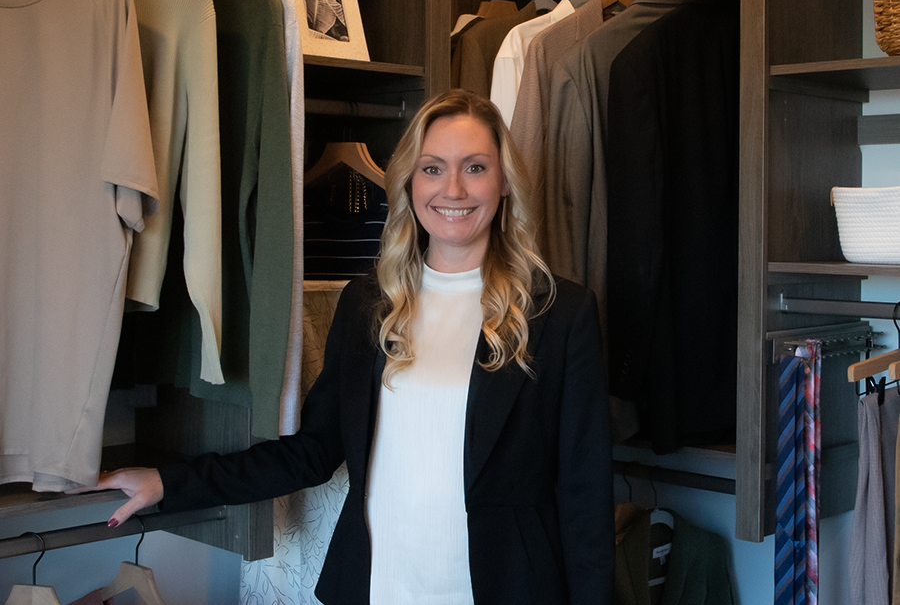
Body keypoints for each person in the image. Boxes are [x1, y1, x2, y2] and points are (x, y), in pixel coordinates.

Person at [88, 89, 614, 604]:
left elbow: (584, 497)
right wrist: (169, 482)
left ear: (503, 183)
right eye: (432, 168)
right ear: (408, 182)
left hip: (508, 588)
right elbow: (313, 451)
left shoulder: (559, 314)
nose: (452, 189)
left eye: (475, 167)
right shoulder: (368, 303)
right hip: (377, 585)